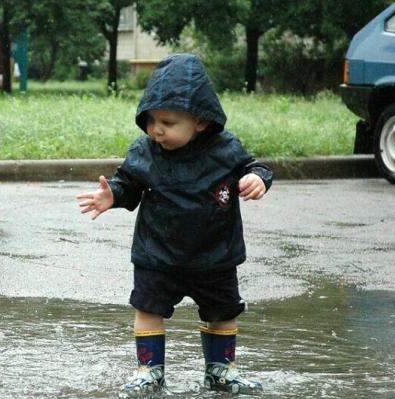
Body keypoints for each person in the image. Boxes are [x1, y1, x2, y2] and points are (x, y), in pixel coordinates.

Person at [76, 54, 271, 396]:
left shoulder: (225, 149)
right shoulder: (146, 151)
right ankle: (150, 372)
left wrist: (257, 178)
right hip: (158, 254)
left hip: (215, 254)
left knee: (223, 311)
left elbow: (254, 167)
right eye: (151, 120)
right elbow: (126, 183)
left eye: (167, 121)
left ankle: (221, 370)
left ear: (199, 120)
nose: (156, 129)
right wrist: (112, 197)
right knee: (148, 308)